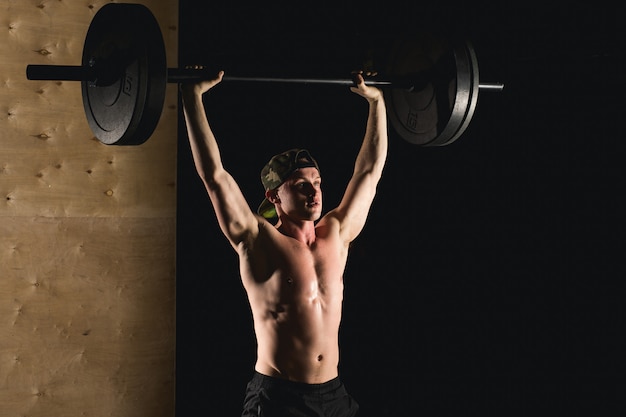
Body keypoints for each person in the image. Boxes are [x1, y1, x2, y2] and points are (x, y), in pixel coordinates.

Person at [181, 70, 388, 417]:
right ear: (274, 195)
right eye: (301, 184)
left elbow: (369, 171)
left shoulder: (336, 234)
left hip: (335, 395)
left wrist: (377, 103)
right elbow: (214, 176)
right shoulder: (258, 239)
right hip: (279, 398)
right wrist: (191, 98)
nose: (314, 192)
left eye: (317, 182)